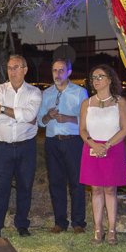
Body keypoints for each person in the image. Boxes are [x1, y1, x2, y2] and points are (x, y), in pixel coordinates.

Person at [0, 54, 42, 238]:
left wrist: (4, 109)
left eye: (16, 67)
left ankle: (22, 225)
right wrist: (17, 114)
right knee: (1, 187)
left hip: (26, 146)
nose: (12, 71)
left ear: (25, 70)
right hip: (3, 147)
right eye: (10, 68)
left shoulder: (34, 92)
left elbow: (30, 116)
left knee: (25, 186)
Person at [79, 65, 126, 245]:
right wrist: (93, 143)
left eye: (100, 76)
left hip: (113, 149)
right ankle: (98, 229)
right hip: (92, 149)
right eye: (94, 77)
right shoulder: (87, 103)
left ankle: (112, 230)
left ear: (110, 79)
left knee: (110, 189)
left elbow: (125, 129)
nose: (96, 80)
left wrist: (107, 145)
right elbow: (82, 129)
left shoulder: (119, 102)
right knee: (96, 189)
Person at [37, 58, 88, 235]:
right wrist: (48, 116)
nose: (57, 74)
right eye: (54, 70)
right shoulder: (46, 94)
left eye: (61, 70)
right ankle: (60, 221)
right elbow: (40, 122)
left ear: (69, 72)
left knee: (76, 182)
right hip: (52, 142)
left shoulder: (80, 92)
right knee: (56, 183)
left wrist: (68, 118)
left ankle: (78, 222)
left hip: (73, 141)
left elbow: (86, 119)